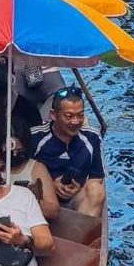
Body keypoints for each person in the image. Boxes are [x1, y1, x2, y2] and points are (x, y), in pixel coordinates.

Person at [30, 86, 105, 218]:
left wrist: (77, 188)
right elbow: (22, 172)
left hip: (77, 199)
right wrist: (50, 186)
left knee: (96, 190)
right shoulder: (36, 137)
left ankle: (82, 229)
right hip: (42, 201)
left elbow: (97, 177)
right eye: (69, 116)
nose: (75, 122)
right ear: (53, 115)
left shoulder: (92, 137)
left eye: (80, 115)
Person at [4, 117, 60, 221]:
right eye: (10, 152)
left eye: (19, 151)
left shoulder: (36, 168)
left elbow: (53, 211)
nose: (15, 155)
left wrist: (28, 198)